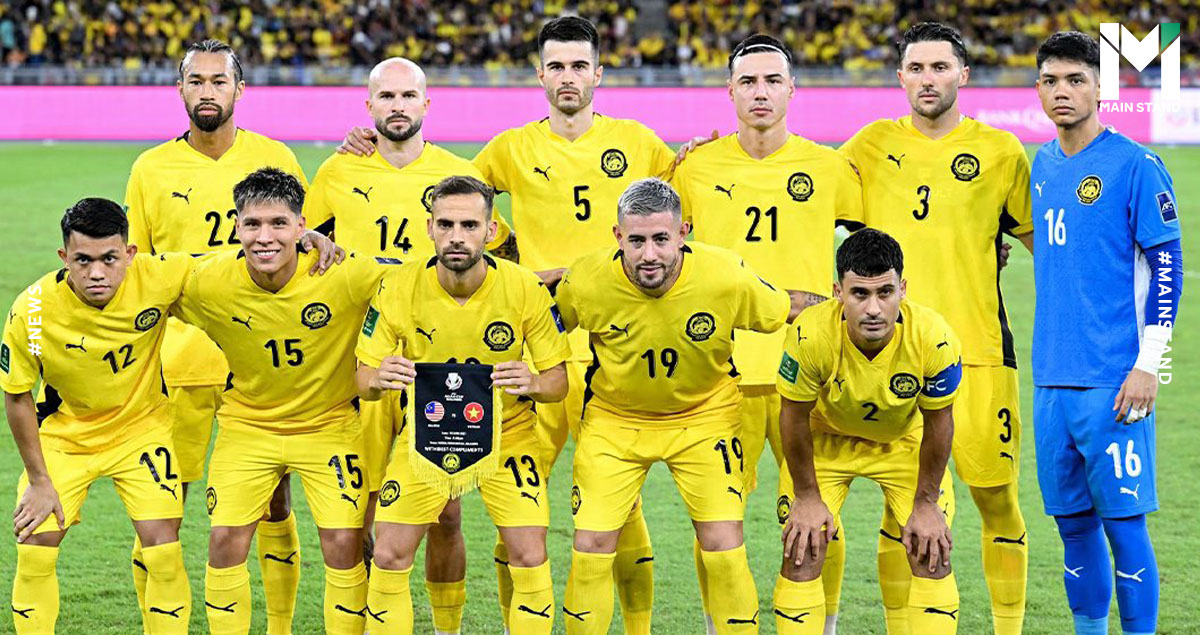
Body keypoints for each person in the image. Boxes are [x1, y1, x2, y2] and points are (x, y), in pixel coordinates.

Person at [338, 16, 676, 633]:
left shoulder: (640, 142)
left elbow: (677, 216)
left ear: (599, 73)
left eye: (580, 65)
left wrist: (703, 155)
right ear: (539, 74)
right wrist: (371, 143)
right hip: (532, 346)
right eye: (557, 66)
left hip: (615, 343)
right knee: (515, 505)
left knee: (620, 507)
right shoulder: (509, 149)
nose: (568, 76)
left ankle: (640, 628)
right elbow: (458, 202)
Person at [304, 57, 514, 631]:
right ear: (368, 106)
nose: (397, 106)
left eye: (407, 96)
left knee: (447, 512)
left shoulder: (459, 174)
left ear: (426, 103)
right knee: (359, 510)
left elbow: (498, 257)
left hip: (441, 364)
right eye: (386, 96)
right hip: (365, 361)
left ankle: (447, 627)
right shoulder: (338, 170)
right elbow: (303, 238)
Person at [836, 23, 1033, 635]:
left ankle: (1007, 629)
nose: (928, 79)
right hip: (894, 359)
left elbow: (1050, 246)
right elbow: (811, 206)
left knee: (996, 498)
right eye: (916, 68)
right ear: (900, 77)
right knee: (903, 508)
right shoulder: (868, 146)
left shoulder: (1002, 152)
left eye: (940, 67)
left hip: (979, 353)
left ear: (963, 75)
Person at [668, 34, 861, 634]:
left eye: (772, 80)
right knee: (715, 524)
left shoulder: (830, 168)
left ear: (792, 89)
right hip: (719, 375)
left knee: (819, 515)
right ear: (729, 91)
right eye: (748, 81)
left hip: (807, 373)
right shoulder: (693, 168)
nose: (760, 92)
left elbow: (872, 253)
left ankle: (823, 626)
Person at [556, 177, 802, 634]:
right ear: (618, 236)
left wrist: (849, 314)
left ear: (683, 233)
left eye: (661, 239)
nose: (649, 254)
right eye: (636, 241)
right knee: (590, 548)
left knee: (724, 548)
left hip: (705, 417)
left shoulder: (725, 275)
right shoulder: (586, 280)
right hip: (615, 421)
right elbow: (541, 321)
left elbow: (787, 307)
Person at [123, 38, 310, 635]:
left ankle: (279, 627)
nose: (207, 91)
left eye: (218, 81)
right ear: (180, 88)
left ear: (239, 89)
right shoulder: (151, 169)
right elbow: (135, 271)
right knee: (162, 509)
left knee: (274, 503)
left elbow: (305, 247)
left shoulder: (274, 157)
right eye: (196, 81)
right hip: (179, 364)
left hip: (262, 364)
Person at [172, 168, 395, 635]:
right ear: (236, 226)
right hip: (247, 427)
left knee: (345, 544)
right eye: (252, 224)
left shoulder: (344, 273)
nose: (264, 237)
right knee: (225, 541)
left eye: (279, 223)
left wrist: (532, 283)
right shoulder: (208, 281)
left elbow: (425, 277)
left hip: (329, 426)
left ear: (301, 226)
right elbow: (135, 275)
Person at [355, 175, 570, 634]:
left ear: (491, 231)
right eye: (446, 224)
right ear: (429, 228)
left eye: (469, 225)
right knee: (388, 552)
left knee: (529, 553)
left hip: (508, 436)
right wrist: (377, 380)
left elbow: (558, 383)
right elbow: (363, 378)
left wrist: (533, 382)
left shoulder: (524, 287)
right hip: (426, 436)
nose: (457, 236)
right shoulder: (398, 286)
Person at [1030, 31, 1182, 635]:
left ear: (1101, 88)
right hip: (1050, 381)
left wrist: (1148, 364)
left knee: (1123, 526)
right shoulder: (1041, 165)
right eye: (1050, 80)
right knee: (1072, 527)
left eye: (1076, 79)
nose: (1062, 91)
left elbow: (1168, 268)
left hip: (1114, 381)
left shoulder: (1135, 164)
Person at [4, 199, 193, 635]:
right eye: (82, 260)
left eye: (109, 259)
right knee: (34, 545)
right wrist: (39, 480)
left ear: (130, 253)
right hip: (65, 438)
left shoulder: (158, 277)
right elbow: (17, 395)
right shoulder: (33, 311)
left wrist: (306, 242)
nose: (96, 273)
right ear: (63, 257)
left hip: (141, 430)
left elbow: (229, 266)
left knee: (163, 551)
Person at [775, 228, 963, 635]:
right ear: (838, 292)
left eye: (885, 292)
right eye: (860, 294)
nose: (874, 308)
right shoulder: (810, 334)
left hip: (903, 443)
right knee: (802, 546)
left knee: (931, 549)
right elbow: (792, 417)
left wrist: (926, 502)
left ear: (903, 290)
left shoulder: (935, 338)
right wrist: (806, 497)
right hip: (826, 441)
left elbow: (939, 423)